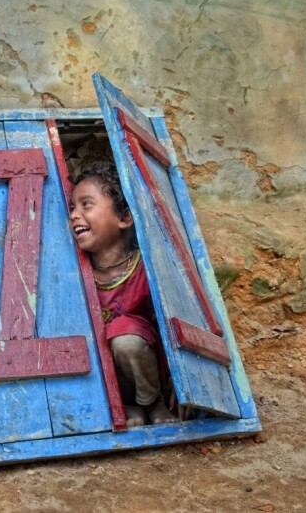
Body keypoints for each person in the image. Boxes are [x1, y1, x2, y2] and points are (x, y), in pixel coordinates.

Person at [69, 161, 177, 427]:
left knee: (125, 336)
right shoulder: (72, 271)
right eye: (72, 208)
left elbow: (173, 326)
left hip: (147, 364)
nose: (74, 214)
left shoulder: (146, 267)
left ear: (124, 218)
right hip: (106, 376)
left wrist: (184, 382)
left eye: (86, 204)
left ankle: (152, 404)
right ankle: (125, 406)